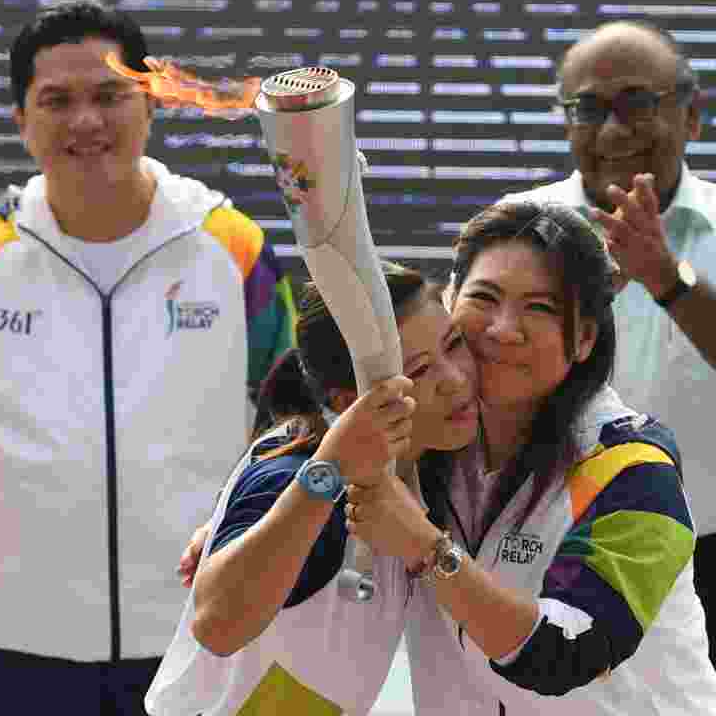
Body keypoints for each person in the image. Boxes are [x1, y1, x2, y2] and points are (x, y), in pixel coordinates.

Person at [0, 3, 295, 715]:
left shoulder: (236, 252)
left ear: (149, 102)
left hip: (201, 636)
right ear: (21, 123)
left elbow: (291, 441)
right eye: (56, 101)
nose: (86, 121)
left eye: (109, 95)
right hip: (13, 647)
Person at [502, 21, 716, 714]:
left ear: (692, 113)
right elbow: (472, 379)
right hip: (543, 561)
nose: (614, 131)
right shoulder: (518, 228)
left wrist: (665, 278)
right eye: (589, 108)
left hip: (705, 568)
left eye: (639, 103)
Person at [344, 201, 716, 714]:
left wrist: (424, 546)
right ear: (450, 298)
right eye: (484, 296)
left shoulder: (633, 471)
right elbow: (315, 397)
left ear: (585, 336)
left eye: (540, 308)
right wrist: (235, 514)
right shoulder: (433, 437)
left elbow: (563, 653)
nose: (504, 329)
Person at [145, 261, 481, 716]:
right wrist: (326, 474)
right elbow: (216, 626)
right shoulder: (296, 477)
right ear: (348, 402)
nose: (455, 379)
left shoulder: (420, 460)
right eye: (419, 371)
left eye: (454, 344)